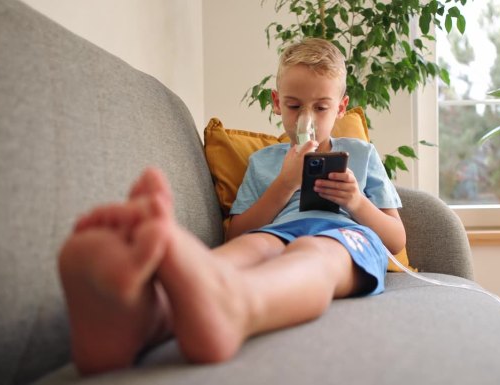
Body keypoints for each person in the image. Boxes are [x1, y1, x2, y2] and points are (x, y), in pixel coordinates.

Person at [58, 37, 406, 375]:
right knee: (250, 248)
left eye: (321, 107)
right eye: (294, 105)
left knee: (314, 253)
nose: (307, 119)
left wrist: (356, 201)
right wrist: (284, 183)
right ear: (276, 102)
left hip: (345, 237)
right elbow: (237, 232)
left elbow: (395, 240)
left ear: (341, 107)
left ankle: (239, 305)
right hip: (276, 231)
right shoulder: (264, 162)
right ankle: (144, 315)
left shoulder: (362, 155)